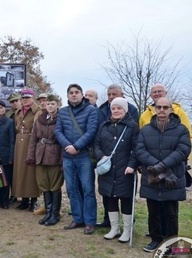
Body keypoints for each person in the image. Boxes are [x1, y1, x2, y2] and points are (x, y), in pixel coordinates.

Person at [137, 97, 191, 252]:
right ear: (154, 108)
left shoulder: (181, 130)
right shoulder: (145, 130)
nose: (161, 110)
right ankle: (155, 239)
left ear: (171, 109)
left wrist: (162, 166)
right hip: (152, 178)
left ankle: (172, 242)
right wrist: (158, 167)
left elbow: (183, 150)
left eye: (165, 107)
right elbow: (140, 150)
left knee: (171, 213)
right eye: (158, 107)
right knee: (153, 212)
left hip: (173, 178)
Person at [94, 97, 139, 243]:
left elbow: (136, 147)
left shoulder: (132, 126)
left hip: (125, 170)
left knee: (126, 200)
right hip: (107, 169)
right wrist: (101, 157)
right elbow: (97, 145)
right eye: (113, 108)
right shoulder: (104, 125)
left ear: (125, 110)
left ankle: (127, 230)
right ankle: (114, 228)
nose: (116, 110)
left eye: (119, 108)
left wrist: (132, 165)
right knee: (110, 198)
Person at [55, 83, 98, 235]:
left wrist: (77, 146)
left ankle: (90, 221)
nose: (74, 95)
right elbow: (58, 131)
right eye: (71, 92)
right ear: (67, 96)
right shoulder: (63, 112)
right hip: (67, 156)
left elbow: (91, 131)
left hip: (84, 155)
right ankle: (77, 218)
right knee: (71, 189)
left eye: (77, 92)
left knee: (88, 190)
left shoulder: (91, 110)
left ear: (82, 95)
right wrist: (68, 146)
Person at [26, 94, 63, 226]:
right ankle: (48, 213)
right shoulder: (40, 120)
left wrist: (63, 160)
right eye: (48, 104)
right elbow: (33, 140)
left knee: (55, 185)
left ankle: (55, 214)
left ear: (57, 104)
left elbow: (64, 141)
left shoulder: (62, 119)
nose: (50, 106)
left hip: (55, 155)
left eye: (53, 103)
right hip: (40, 155)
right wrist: (31, 157)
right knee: (44, 185)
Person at [12, 88, 41, 211]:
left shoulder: (38, 111)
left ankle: (33, 200)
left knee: (31, 171)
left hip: (31, 140)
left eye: (28, 98)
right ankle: (24, 199)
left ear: (32, 98)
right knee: (20, 171)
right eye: (23, 98)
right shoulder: (18, 111)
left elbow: (37, 127)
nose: (25, 100)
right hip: (19, 141)